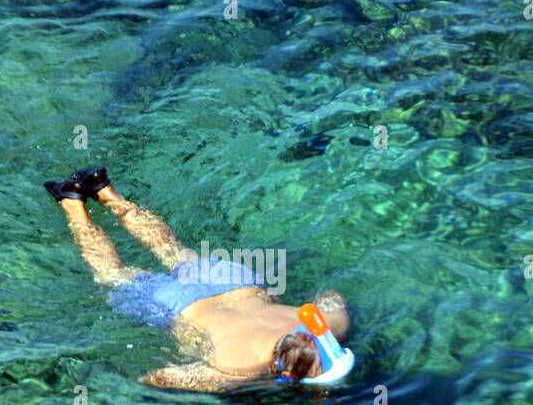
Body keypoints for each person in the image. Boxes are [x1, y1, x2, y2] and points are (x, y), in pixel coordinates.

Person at [45, 166, 352, 392]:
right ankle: (73, 203)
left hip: (234, 282)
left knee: (173, 249)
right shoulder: (238, 372)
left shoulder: (331, 325)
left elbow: (331, 296)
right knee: (113, 276)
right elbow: (161, 377)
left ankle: (106, 191)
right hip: (182, 306)